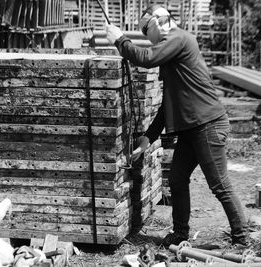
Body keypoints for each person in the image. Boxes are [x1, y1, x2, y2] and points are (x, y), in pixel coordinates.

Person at [106, 5, 248, 247]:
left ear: (158, 23)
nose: (145, 36)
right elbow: (167, 106)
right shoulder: (172, 50)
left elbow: (146, 59)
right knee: (178, 179)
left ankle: (242, 239)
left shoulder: (179, 38)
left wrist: (120, 40)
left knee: (219, 185)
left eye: (145, 30)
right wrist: (148, 138)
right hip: (193, 129)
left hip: (207, 125)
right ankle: (180, 233)